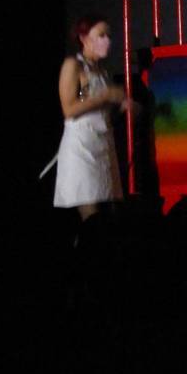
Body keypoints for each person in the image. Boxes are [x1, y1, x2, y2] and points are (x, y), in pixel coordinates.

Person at [50, 15, 126, 221]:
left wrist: (122, 106)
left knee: (110, 212)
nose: (107, 41)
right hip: (81, 147)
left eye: (108, 36)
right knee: (90, 213)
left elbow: (101, 111)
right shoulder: (73, 65)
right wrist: (105, 96)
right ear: (84, 38)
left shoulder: (103, 72)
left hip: (103, 145)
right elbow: (69, 109)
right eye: (101, 35)